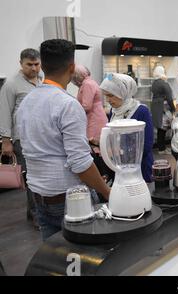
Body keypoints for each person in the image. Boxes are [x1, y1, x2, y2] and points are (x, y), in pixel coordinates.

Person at [16, 39, 110, 240]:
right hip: (71, 199)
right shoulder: (67, 104)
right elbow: (81, 164)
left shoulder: (26, 102)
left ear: (43, 66)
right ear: (72, 67)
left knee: (54, 256)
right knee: (82, 253)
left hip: (39, 196)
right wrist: (106, 191)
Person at [0, 48, 43, 227]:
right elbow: (4, 113)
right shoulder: (11, 84)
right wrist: (6, 141)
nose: (33, 68)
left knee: (38, 175)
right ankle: (35, 213)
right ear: (21, 64)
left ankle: (32, 211)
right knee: (30, 177)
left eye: (36, 64)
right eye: (29, 65)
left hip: (40, 137)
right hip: (21, 138)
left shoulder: (41, 80)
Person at [100, 73, 154, 182]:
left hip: (139, 168)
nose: (108, 100)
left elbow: (147, 145)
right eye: (106, 96)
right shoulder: (114, 111)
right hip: (119, 167)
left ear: (123, 93)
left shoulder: (141, 111)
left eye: (111, 95)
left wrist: (121, 152)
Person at [71, 65, 108, 143]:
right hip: (94, 117)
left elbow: (87, 106)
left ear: (76, 76)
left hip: (94, 119)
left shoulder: (87, 84)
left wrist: (72, 111)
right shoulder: (89, 82)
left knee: (93, 144)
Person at [151, 65, 175, 155]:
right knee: (165, 129)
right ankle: (163, 149)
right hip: (164, 108)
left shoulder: (154, 83)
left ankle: (162, 148)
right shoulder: (164, 83)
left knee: (160, 128)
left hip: (156, 107)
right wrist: (174, 108)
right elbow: (169, 98)